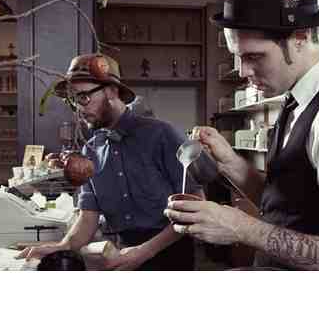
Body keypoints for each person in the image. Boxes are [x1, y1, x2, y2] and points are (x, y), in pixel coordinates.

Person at [165, 0, 319, 270]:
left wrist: (241, 227)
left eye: (254, 56)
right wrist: (230, 164)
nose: (243, 71)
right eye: (238, 57)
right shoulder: (295, 100)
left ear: (300, 38)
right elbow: (287, 207)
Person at [17, 54, 202, 270]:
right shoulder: (90, 151)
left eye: (83, 97)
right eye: (73, 100)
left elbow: (196, 204)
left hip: (172, 255)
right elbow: (88, 217)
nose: (79, 108)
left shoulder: (161, 134)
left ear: (112, 91)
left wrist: (144, 252)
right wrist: (62, 246)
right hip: (121, 256)